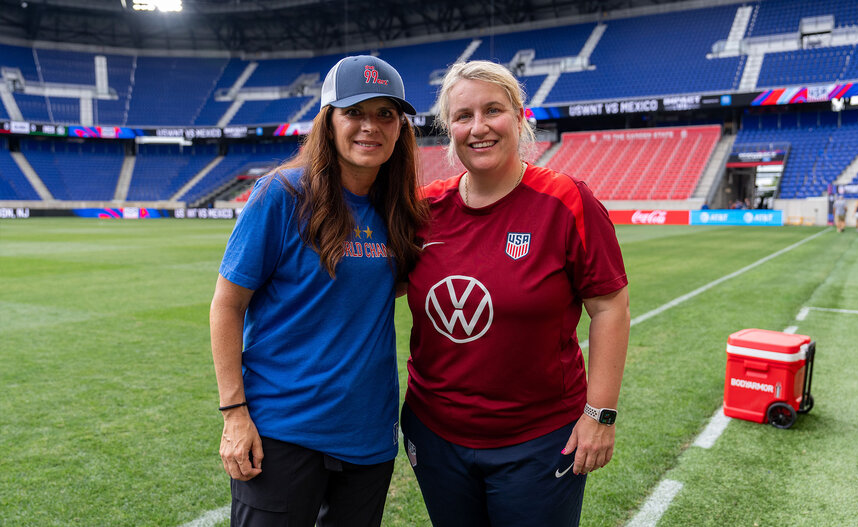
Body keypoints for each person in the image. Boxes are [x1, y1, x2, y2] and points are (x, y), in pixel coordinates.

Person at [401, 60, 630, 527]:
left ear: (520, 116)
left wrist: (600, 414)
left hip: (540, 439)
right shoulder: (422, 210)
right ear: (449, 129)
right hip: (435, 435)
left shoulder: (567, 202)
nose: (478, 127)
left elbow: (609, 306)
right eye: (463, 116)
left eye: (493, 111)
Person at [209, 55, 426, 527]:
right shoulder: (281, 195)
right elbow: (227, 306)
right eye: (355, 112)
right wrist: (233, 414)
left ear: (400, 128)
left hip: (369, 433)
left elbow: (378, 292)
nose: (371, 127)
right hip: (283, 430)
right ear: (328, 121)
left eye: (385, 114)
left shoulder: (400, 209)